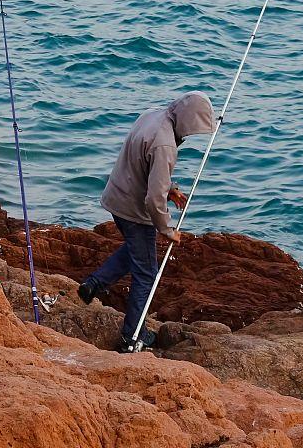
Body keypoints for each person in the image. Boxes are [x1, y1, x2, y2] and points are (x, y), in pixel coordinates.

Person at [77, 91, 215, 352]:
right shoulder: (165, 145)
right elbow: (153, 198)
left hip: (116, 197)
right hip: (135, 212)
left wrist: (169, 188)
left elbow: (145, 166)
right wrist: (166, 229)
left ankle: (93, 284)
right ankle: (133, 335)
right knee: (146, 273)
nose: (190, 136)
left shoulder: (152, 115)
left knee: (135, 251)